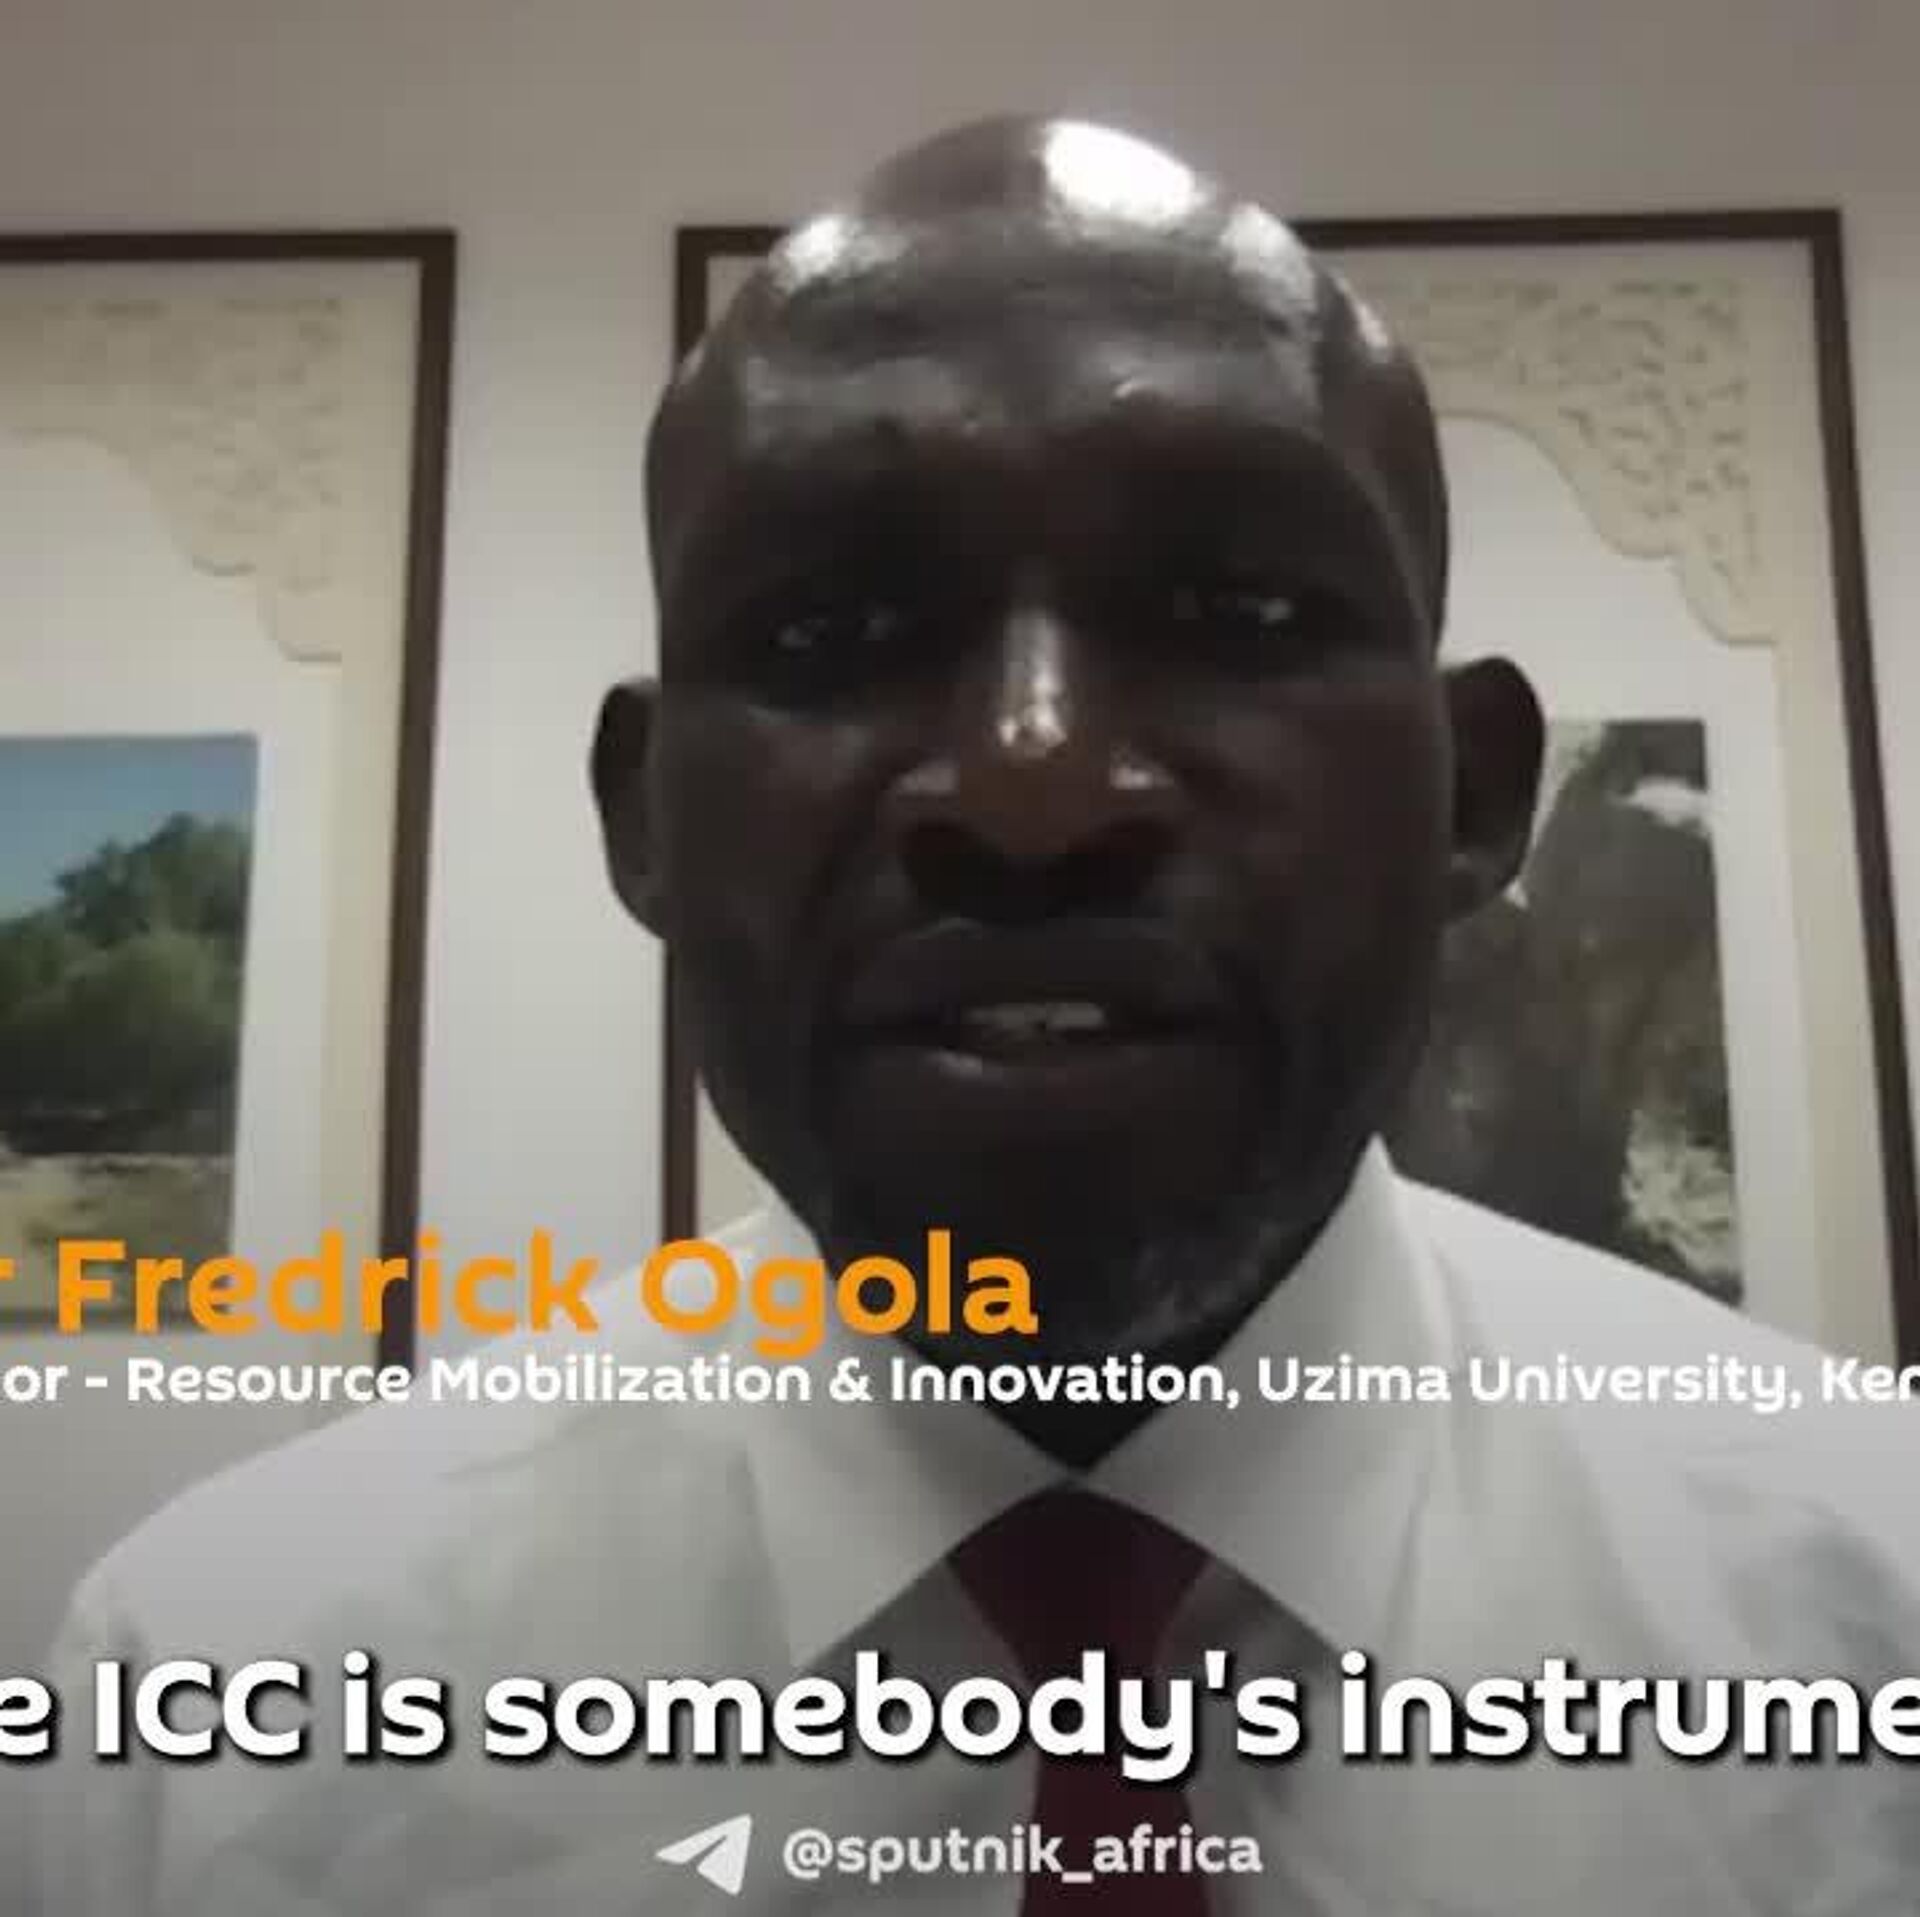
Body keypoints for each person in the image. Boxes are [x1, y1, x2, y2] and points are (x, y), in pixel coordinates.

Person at [31, 115, 1920, 1916]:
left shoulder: (1874, 1614)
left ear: (1477, 794)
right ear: (644, 819)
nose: (1034, 787)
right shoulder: (223, 1714)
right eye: (828, 636)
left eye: (1243, 614)